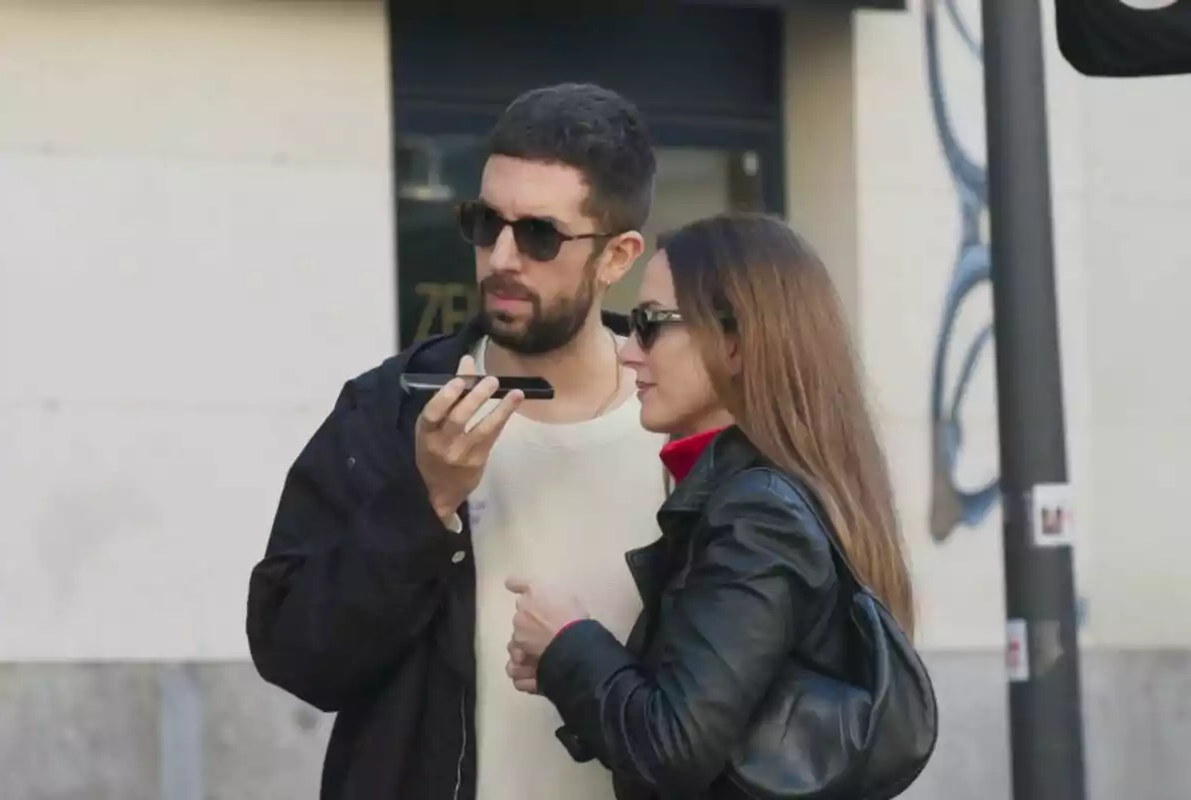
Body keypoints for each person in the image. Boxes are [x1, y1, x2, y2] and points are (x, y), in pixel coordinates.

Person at [246, 83, 667, 800]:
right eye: (484, 222)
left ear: (618, 255)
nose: (502, 256)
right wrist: (424, 502)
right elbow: (296, 655)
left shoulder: (688, 423)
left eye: (539, 234)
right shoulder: (391, 408)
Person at [504, 213, 917, 799]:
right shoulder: (769, 492)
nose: (627, 351)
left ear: (736, 342)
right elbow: (726, 730)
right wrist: (567, 665)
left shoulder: (759, 513)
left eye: (649, 324)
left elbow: (675, 749)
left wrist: (571, 640)